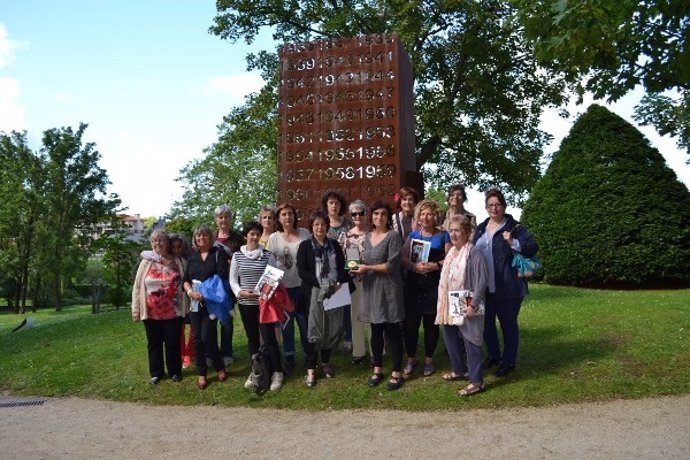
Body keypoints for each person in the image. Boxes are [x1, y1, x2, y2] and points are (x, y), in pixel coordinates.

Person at [472, 188, 538, 377]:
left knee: (508, 324)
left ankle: (509, 361)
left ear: (504, 206)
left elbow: (532, 247)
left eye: (497, 204)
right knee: (486, 324)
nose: (494, 208)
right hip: (484, 286)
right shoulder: (481, 228)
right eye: (490, 205)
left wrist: (514, 243)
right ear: (486, 207)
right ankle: (494, 355)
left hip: (508, 286)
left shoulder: (515, 227)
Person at [350, 200, 405, 391]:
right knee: (375, 331)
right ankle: (377, 369)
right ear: (371, 217)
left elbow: (392, 265)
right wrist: (354, 267)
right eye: (375, 214)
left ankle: (397, 372)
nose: (378, 217)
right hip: (371, 288)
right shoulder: (366, 237)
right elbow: (360, 260)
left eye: (382, 214)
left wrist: (367, 268)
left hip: (389, 289)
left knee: (392, 331)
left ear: (387, 217)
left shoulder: (393, 236)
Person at [436, 216, 489, 396]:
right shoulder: (452, 252)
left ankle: (476, 381)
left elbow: (481, 281)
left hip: (469, 300)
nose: (454, 234)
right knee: (450, 335)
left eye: (458, 230)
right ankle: (459, 370)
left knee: (471, 340)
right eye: (451, 230)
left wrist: (473, 305)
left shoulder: (474, 252)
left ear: (467, 232)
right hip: (451, 299)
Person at [229, 221, 284, 391]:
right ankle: (256, 370)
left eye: (257, 234)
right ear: (245, 236)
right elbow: (232, 280)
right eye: (251, 234)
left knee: (269, 338)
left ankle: (277, 372)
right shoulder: (237, 256)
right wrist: (240, 292)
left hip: (264, 304)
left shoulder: (267, 255)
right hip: (246, 303)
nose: (254, 237)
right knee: (252, 338)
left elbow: (274, 277)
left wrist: (263, 293)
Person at [296, 210, 348, 387]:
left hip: (335, 289)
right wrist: (319, 283)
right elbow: (302, 271)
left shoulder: (334, 244)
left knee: (332, 328)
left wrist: (339, 281)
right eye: (316, 224)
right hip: (313, 291)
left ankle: (325, 362)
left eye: (323, 224)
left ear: (327, 226)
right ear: (311, 227)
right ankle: (311, 369)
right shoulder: (305, 246)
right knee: (314, 330)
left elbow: (343, 266)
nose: (320, 227)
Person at [401, 199, 452, 377]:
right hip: (413, 286)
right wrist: (413, 267)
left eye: (429, 213)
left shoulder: (444, 235)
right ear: (418, 216)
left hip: (433, 285)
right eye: (422, 214)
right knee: (410, 325)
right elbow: (403, 258)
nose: (425, 217)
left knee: (431, 325)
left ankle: (429, 360)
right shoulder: (413, 235)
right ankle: (411, 358)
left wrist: (436, 265)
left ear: (435, 215)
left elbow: (450, 258)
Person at [131, 230, 186, 385]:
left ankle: (175, 371)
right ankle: (156, 373)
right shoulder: (146, 262)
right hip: (151, 311)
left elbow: (186, 281)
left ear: (167, 243)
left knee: (172, 342)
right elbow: (137, 286)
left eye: (161, 240)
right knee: (153, 343)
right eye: (154, 241)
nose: (158, 244)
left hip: (173, 311)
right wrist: (136, 309)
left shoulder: (178, 262)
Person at [182, 225, 229, 390]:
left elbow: (222, 274)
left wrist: (203, 290)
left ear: (210, 237)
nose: (201, 238)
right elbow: (185, 280)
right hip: (195, 302)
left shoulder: (218, 253)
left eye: (204, 235)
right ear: (195, 239)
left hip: (212, 303)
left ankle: (219, 366)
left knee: (207, 337)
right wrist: (190, 292)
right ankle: (202, 373)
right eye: (198, 236)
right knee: (196, 339)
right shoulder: (192, 256)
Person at [267, 203, 311, 374]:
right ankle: (290, 356)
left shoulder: (305, 234)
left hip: (302, 287)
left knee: (305, 323)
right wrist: (268, 290)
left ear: (294, 216)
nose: (287, 217)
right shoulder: (274, 238)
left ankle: (310, 356)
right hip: (283, 289)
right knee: (286, 325)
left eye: (290, 213)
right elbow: (269, 264)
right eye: (284, 214)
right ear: (279, 218)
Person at [321, 191, 353, 354]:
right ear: (326, 205)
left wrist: (353, 266)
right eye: (331, 203)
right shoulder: (322, 224)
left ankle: (348, 339)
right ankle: (332, 339)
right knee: (330, 308)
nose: (334, 206)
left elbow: (353, 245)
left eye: (337, 203)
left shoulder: (348, 224)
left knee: (346, 307)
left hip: (345, 270)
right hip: (327, 272)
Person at [214, 204, 243, 367]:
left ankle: (226, 353)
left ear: (231, 219)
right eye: (220, 217)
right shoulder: (210, 236)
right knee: (210, 320)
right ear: (216, 220)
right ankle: (211, 352)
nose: (223, 220)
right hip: (212, 284)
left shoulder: (238, 239)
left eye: (226, 216)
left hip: (230, 284)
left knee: (226, 320)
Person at [343, 199, 370, 365]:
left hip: (373, 280)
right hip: (354, 281)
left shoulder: (373, 234)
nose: (358, 216)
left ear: (366, 214)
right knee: (356, 317)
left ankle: (377, 350)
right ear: (351, 216)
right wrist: (353, 267)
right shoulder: (346, 236)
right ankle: (359, 352)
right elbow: (344, 259)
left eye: (361, 212)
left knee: (374, 317)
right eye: (354, 214)